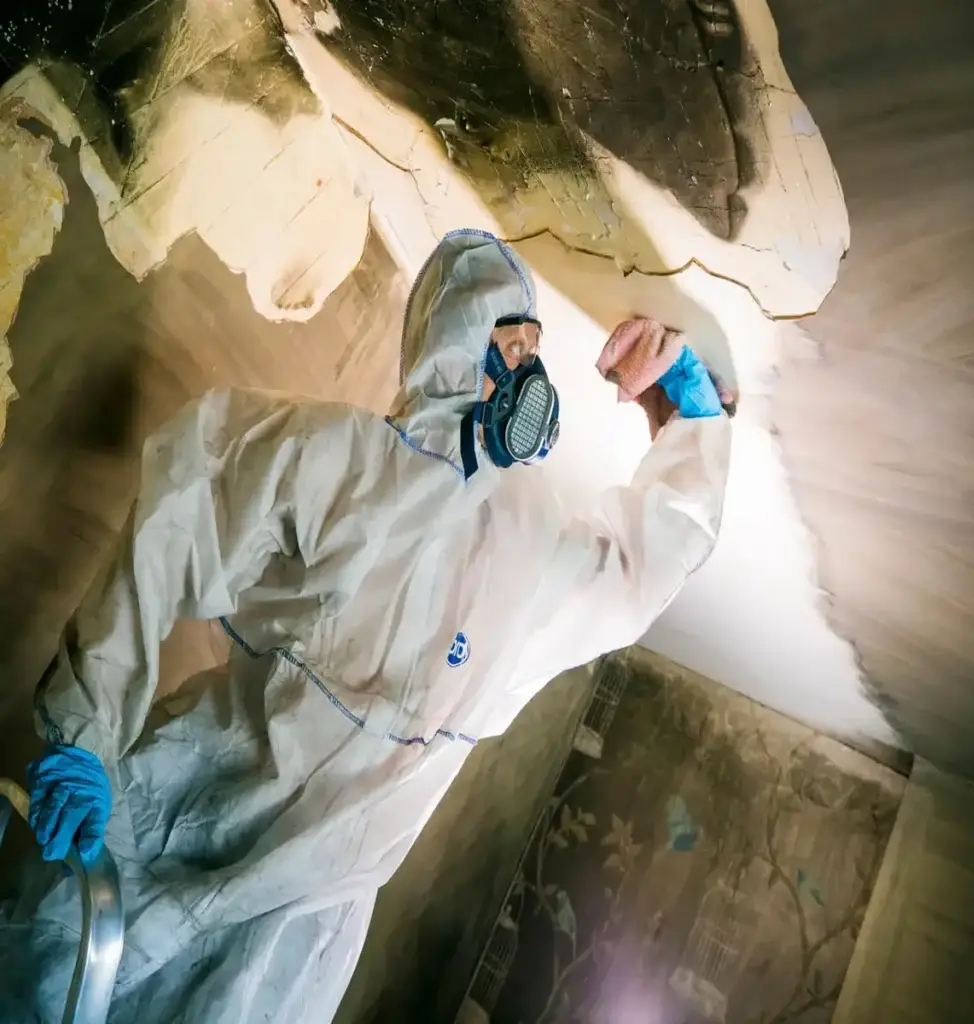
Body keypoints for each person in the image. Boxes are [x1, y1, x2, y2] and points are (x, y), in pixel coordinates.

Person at [0, 230, 731, 1022]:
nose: (528, 369)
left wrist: (693, 417)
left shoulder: (534, 547)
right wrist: (86, 731)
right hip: (184, 805)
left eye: (533, 348)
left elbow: (638, 569)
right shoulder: (341, 459)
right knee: (42, 987)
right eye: (510, 343)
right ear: (454, 345)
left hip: (302, 916)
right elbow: (175, 522)